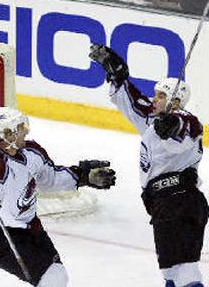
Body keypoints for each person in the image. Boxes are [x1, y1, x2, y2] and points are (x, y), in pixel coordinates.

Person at [89, 44, 208, 287]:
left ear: (175, 102)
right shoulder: (152, 121)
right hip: (169, 204)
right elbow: (133, 103)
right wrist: (119, 76)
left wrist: (173, 123)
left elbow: (187, 126)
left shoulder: (186, 122)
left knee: (183, 271)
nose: (154, 99)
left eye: (161, 96)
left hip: (179, 202)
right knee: (172, 275)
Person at [0, 107, 116, 286]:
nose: (25, 130)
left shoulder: (32, 151)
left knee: (57, 275)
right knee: (53, 279)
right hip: (0, 237)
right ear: (9, 134)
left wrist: (84, 177)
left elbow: (50, 179)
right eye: (21, 127)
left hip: (31, 228)